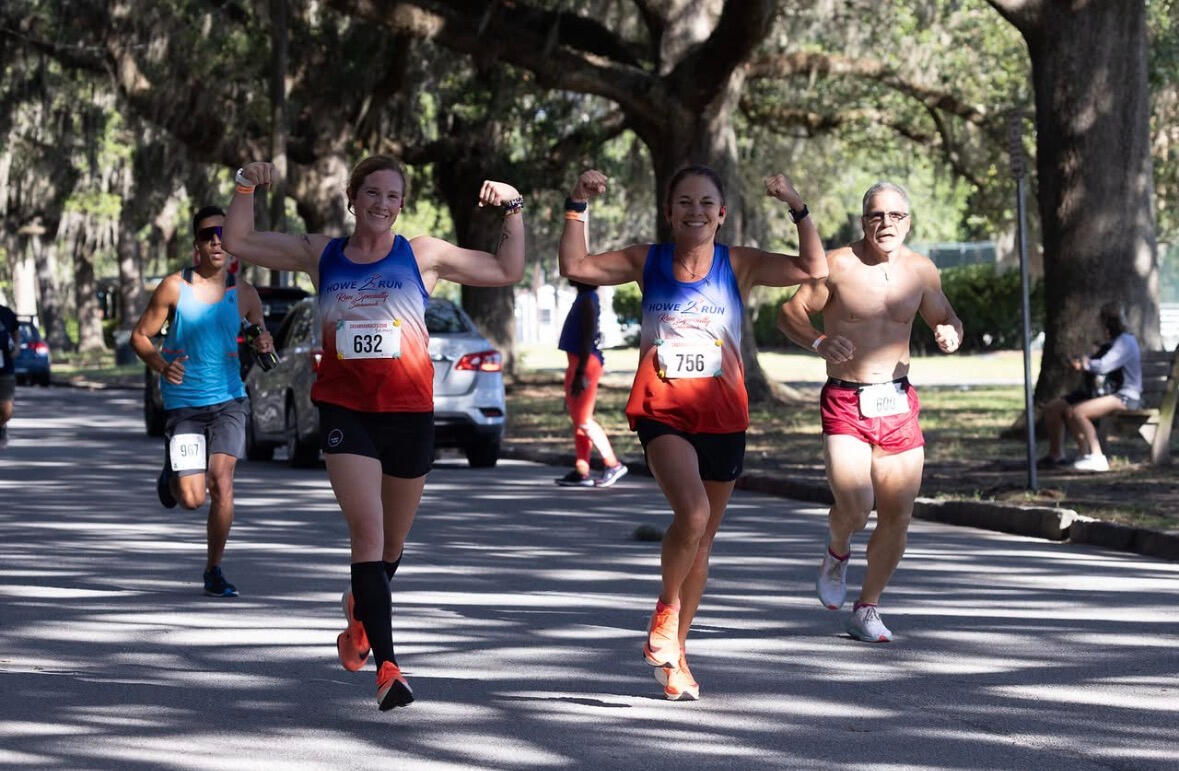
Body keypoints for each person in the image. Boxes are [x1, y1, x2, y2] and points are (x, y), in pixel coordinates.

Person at [223, 157, 525, 711]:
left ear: (402, 205)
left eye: (392, 196)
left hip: (409, 413)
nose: (382, 204)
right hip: (345, 412)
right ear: (351, 197)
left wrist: (512, 206)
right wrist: (245, 184)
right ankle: (388, 667)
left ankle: (360, 615)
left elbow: (507, 269)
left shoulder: (423, 254)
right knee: (367, 533)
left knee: (390, 546)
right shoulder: (324, 254)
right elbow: (238, 239)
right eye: (372, 193)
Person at [559, 166, 826, 700]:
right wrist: (577, 203)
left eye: (707, 203)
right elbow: (576, 264)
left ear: (721, 214)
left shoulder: (739, 263)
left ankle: (675, 652)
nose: (696, 211)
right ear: (669, 211)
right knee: (694, 513)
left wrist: (796, 204)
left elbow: (811, 266)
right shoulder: (648, 259)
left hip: (724, 416)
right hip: (662, 411)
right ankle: (665, 611)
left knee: (702, 542)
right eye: (685, 202)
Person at [777, 181, 963, 644]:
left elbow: (947, 316)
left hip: (897, 401)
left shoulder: (921, 271)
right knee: (856, 506)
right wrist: (818, 341)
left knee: (897, 513)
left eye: (895, 216)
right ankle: (837, 552)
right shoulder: (837, 265)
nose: (886, 224)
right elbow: (790, 313)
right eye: (876, 216)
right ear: (863, 222)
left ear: (908, 222)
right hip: (846, 398)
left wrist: (950, 333)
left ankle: (867, 608)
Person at [131, 205, 275, 599]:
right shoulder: (174, 287)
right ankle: (172, 472)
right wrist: (162, 364)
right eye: (208, 235)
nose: (216, 241)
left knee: (221, 484)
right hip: (185, 404)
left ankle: (214, 569)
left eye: (223, 235)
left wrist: (265, 342)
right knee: (192, 499)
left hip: (230, 400)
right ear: (197, 244)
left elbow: (262, 342)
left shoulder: (244, 294)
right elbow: (140, 337)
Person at [1038, 302, 1141, 472]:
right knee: (1057, 408)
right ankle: (1076, 455)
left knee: (1078, 412)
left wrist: (1085, 363)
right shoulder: (1111, 342)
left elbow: (1104, 366)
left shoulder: (1125, 341)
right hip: (1101, 393)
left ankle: (1097, 456)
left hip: (1124, 396)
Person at [554, 280, 628, 487]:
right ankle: (582, 469)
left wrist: (580, 372)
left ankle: (613, 464)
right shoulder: (583, 298)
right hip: (576, 362)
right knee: (578, 419)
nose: (569, 275)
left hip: (585, 364)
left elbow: (587, 338)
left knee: (584, 420)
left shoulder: (588, 300)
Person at [0, 302, 18, 447]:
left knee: (6, 411)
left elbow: (16, 332)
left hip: (5, 368)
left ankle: (2, 425)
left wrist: (16, 348)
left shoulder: (6, 313)